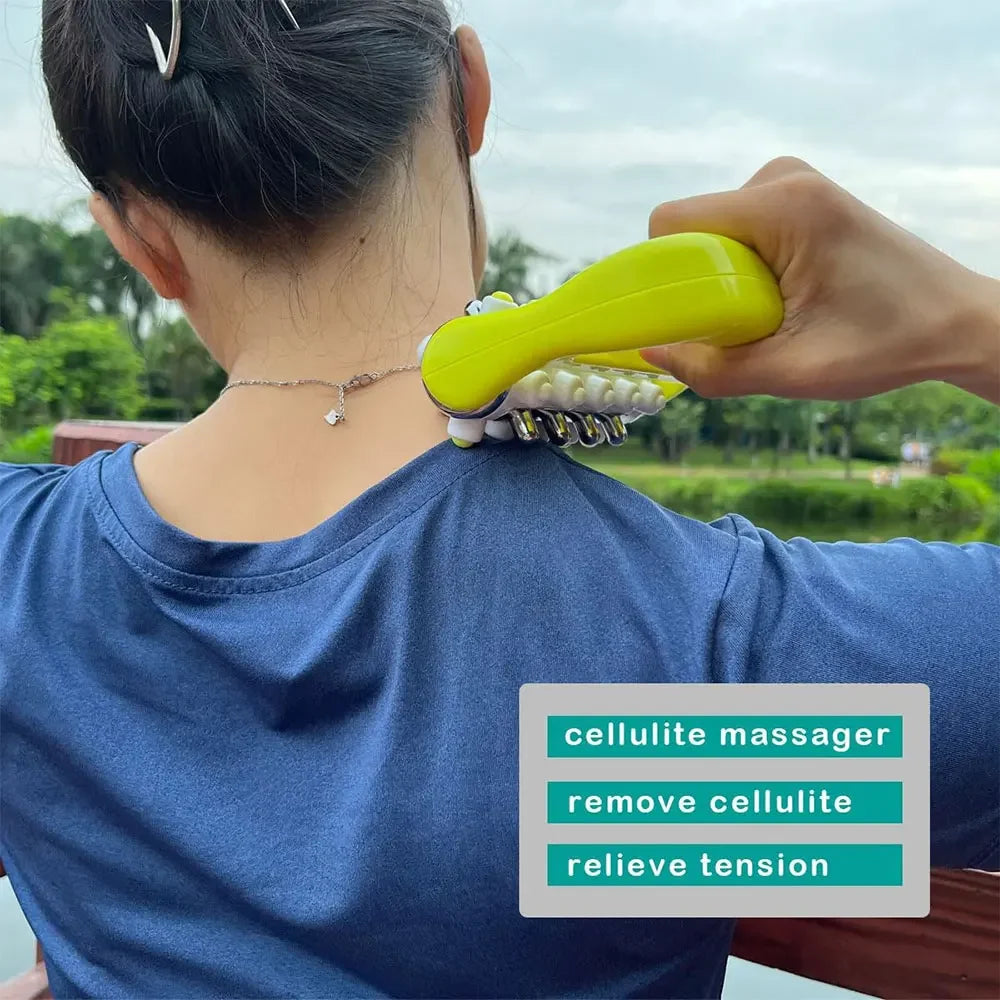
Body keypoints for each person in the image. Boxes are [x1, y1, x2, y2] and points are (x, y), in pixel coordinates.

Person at [0, 2, 996, 998]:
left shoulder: (18, 580)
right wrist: (964, 320)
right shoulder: (692, 680)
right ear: (469, 96)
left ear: (138, 241)